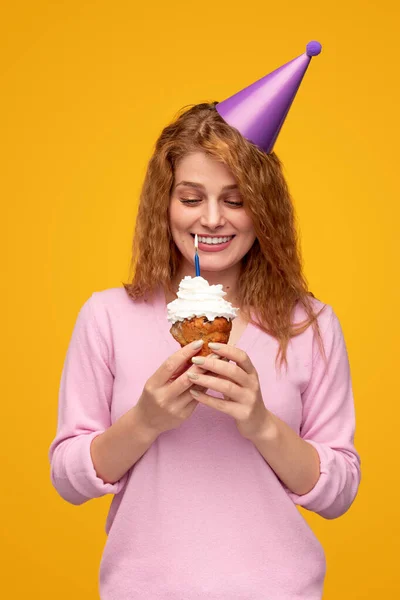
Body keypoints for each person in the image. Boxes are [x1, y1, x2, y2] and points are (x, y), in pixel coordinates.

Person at [49, 45, 361, 600]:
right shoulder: (108, 316)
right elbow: (68, 478)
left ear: (264, 210)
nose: (211, 219)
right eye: (191, 198)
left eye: (235, 200)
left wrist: (261, 422)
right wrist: (144, 420)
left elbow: (339, 493)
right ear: (164, 203)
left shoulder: (310, 324)